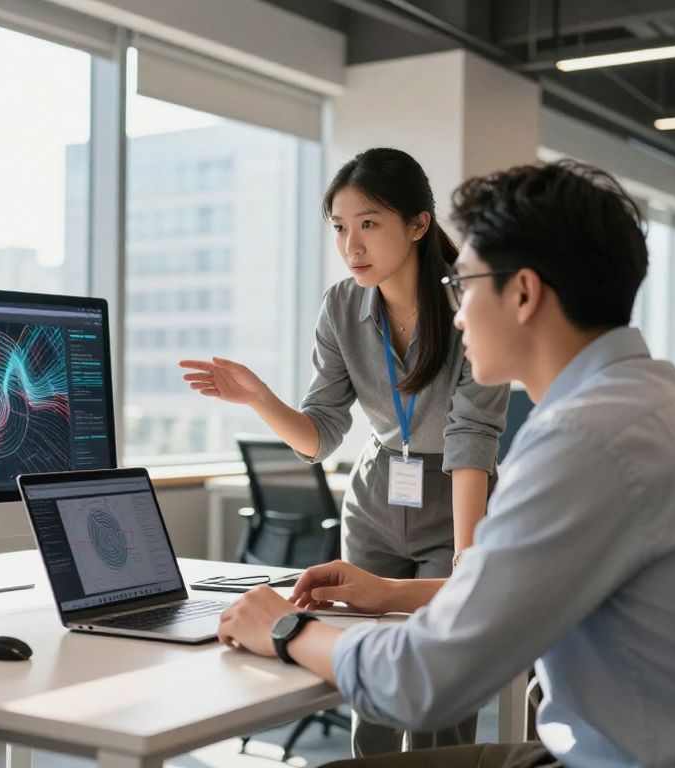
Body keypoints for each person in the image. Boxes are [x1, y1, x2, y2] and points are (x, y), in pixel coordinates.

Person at [215, 160, 675, 767]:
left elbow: (424, 680)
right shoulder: (674, 402)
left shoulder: (583, 441)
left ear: (523, 292)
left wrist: (287, 630)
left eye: (464, 285)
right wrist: (390, 591)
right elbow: (491, 602)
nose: (458, 311)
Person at [181, 148, 508, 756]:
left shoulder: (471, 303)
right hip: (376, 492)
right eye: (339, 227)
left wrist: (468, 557)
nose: (351, 244)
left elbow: (473, 437)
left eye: (368, 223)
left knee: (440, 686)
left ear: (417, 223)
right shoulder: (342, 306)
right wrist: (259, 397)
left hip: (456, 492)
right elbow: (320, 432)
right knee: (366, 681)